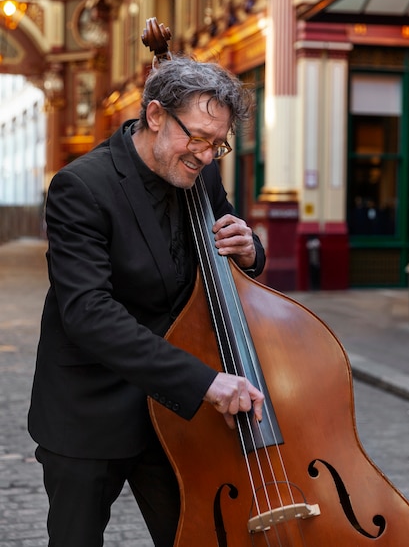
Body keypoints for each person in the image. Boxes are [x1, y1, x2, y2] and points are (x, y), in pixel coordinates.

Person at [28, 55, 266, 547]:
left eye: (217, 144)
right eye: (197, 137)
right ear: (155, 115)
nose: (204, 155)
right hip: (91, 408)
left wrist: (250, 249)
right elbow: (88, 314)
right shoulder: (81, 187)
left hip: (175, 412)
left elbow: (228, 253)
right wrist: (206, 381)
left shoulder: (202, 177)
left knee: (193, 537)